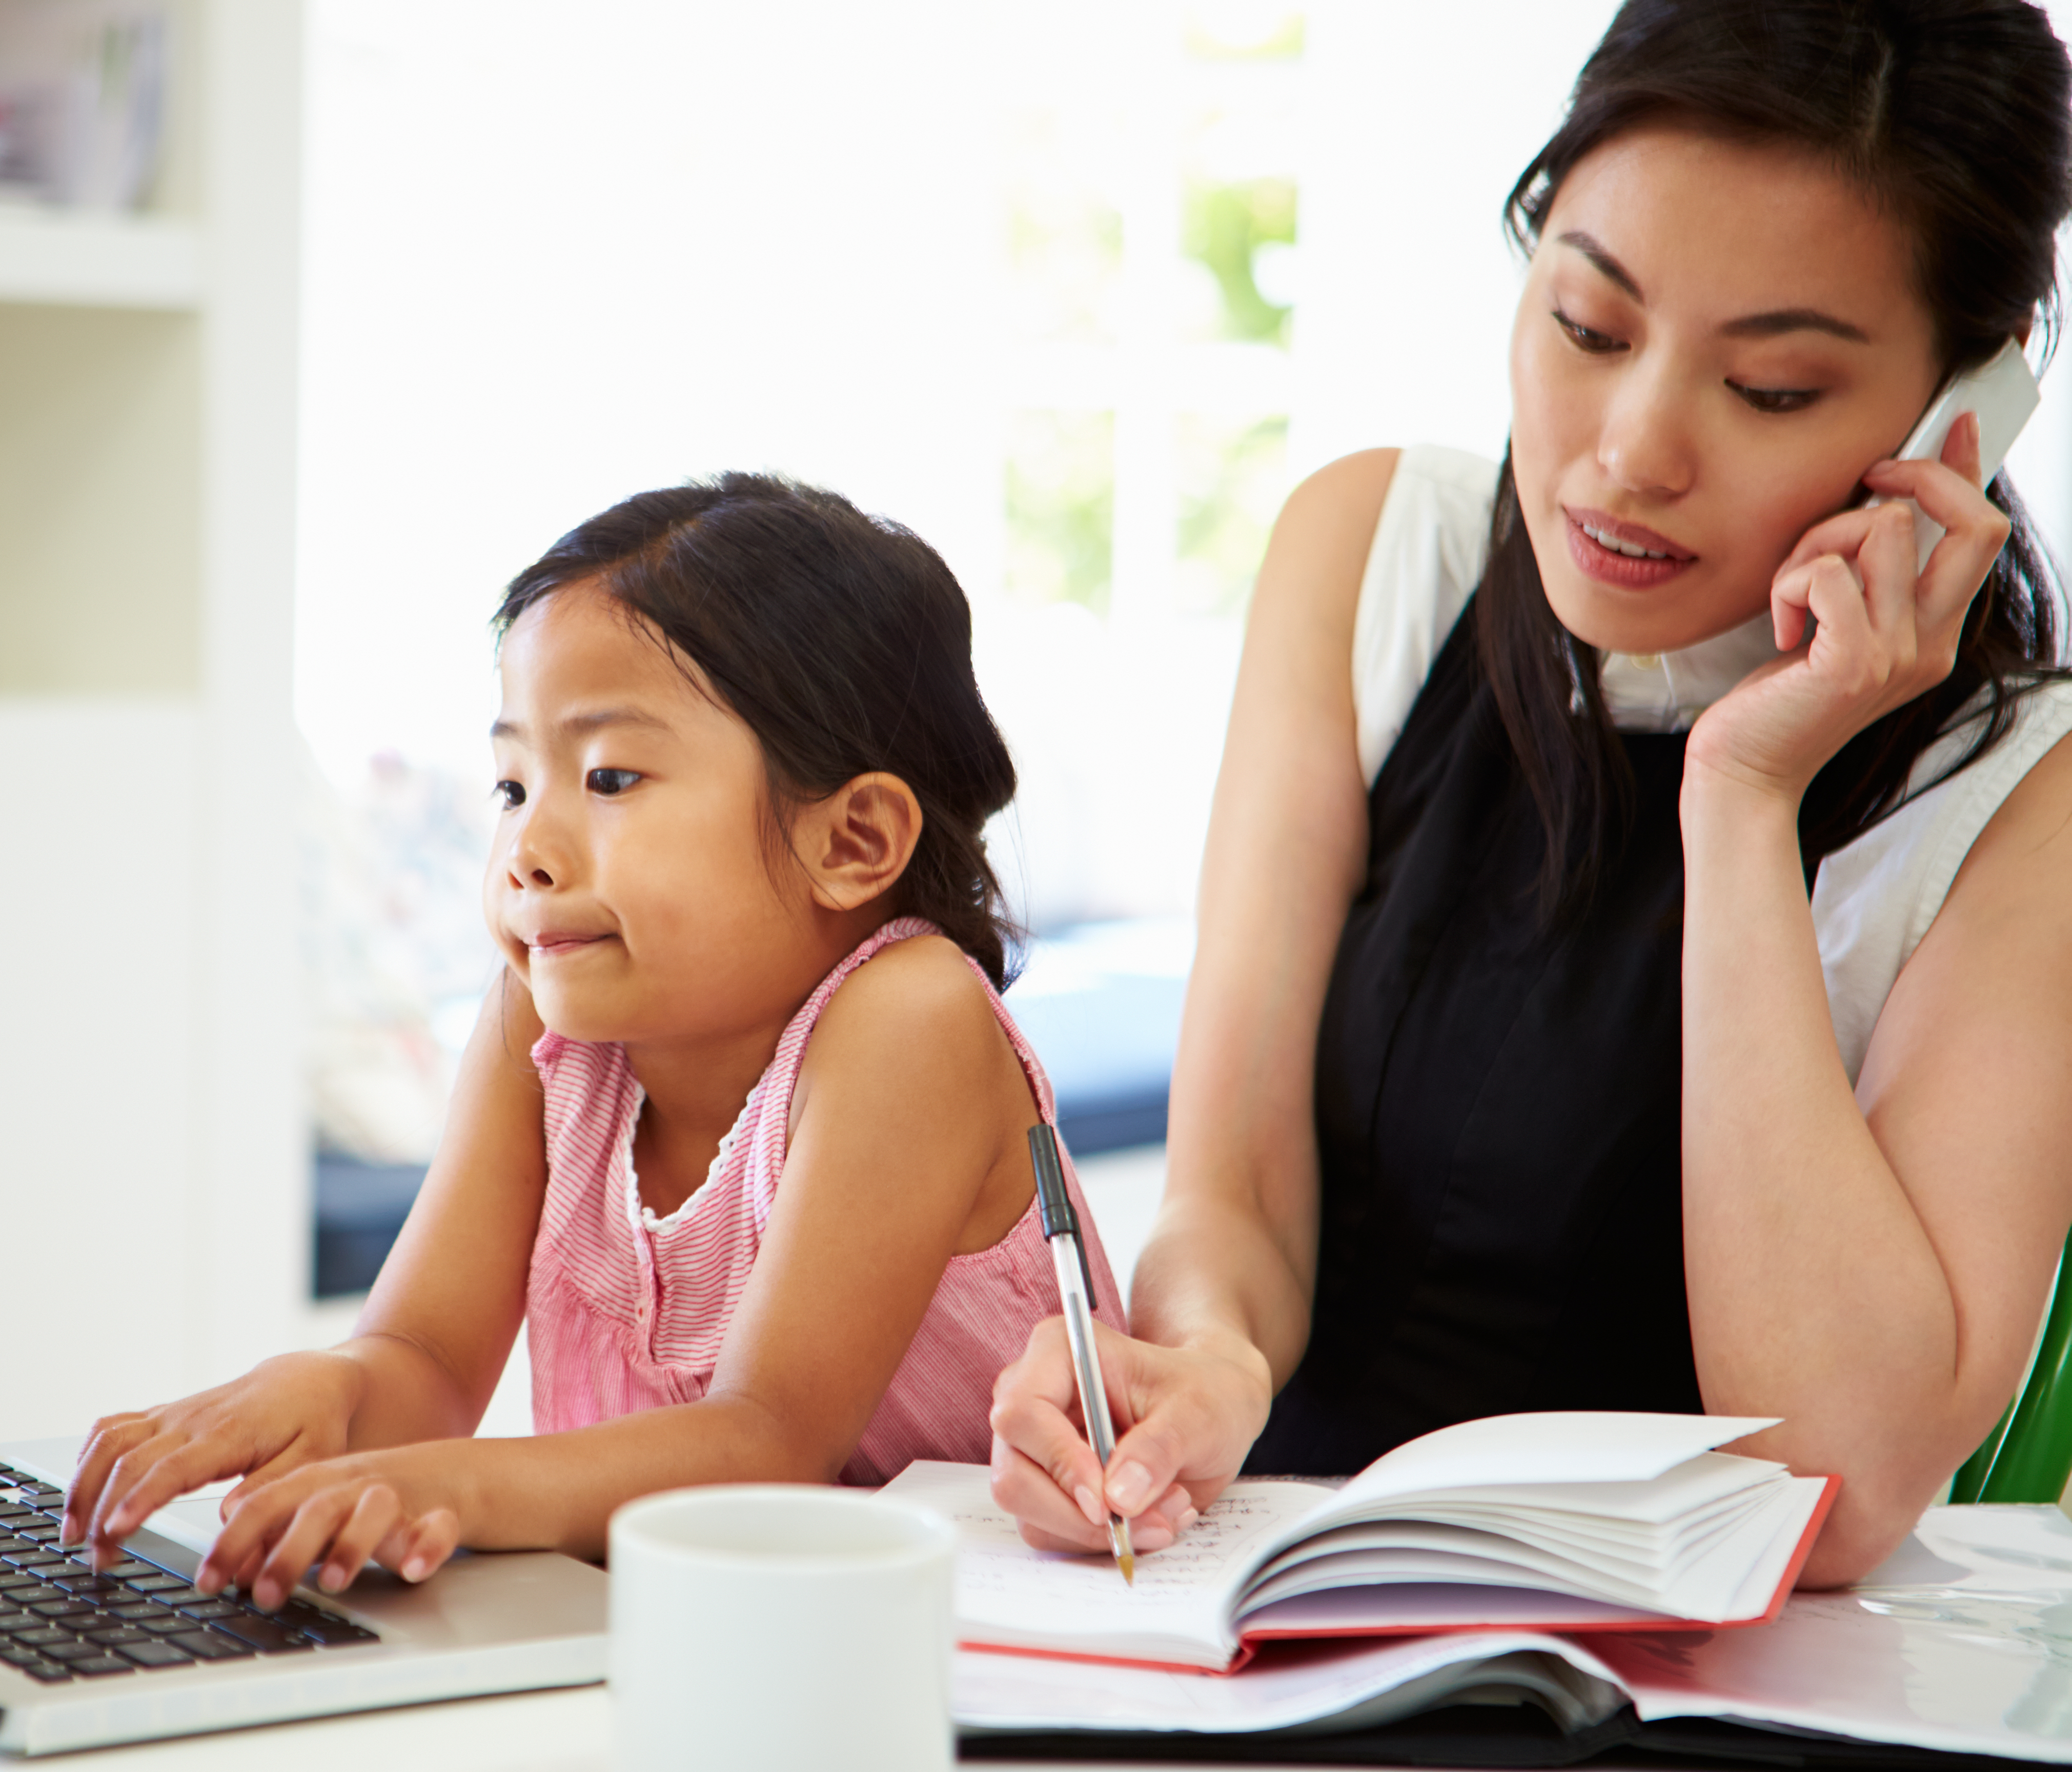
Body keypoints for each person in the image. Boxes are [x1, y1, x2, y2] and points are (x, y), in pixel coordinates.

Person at [991, 0, 2072, 1588]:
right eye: (1586, 325)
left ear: (1957, 416)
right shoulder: (1372, 556)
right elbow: (1237, 1191)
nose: (1630, 454)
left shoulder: (2020, 793)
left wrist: (1741, 793)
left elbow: (1835, 1485)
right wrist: (1205, 1361)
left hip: (1700, 1694)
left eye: (1769, 389)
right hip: (1286, 1602)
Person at [65, 473, 1125, 1610]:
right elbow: (422, 1361)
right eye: (512, 783)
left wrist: (450, 1488)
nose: (526, 846)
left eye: (608, 776)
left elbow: (765, 1444)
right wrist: (322, 1395)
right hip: (681, 1642)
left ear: (852, 840)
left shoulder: (909, 1017)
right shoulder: (546, 1025)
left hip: (963, 1656)